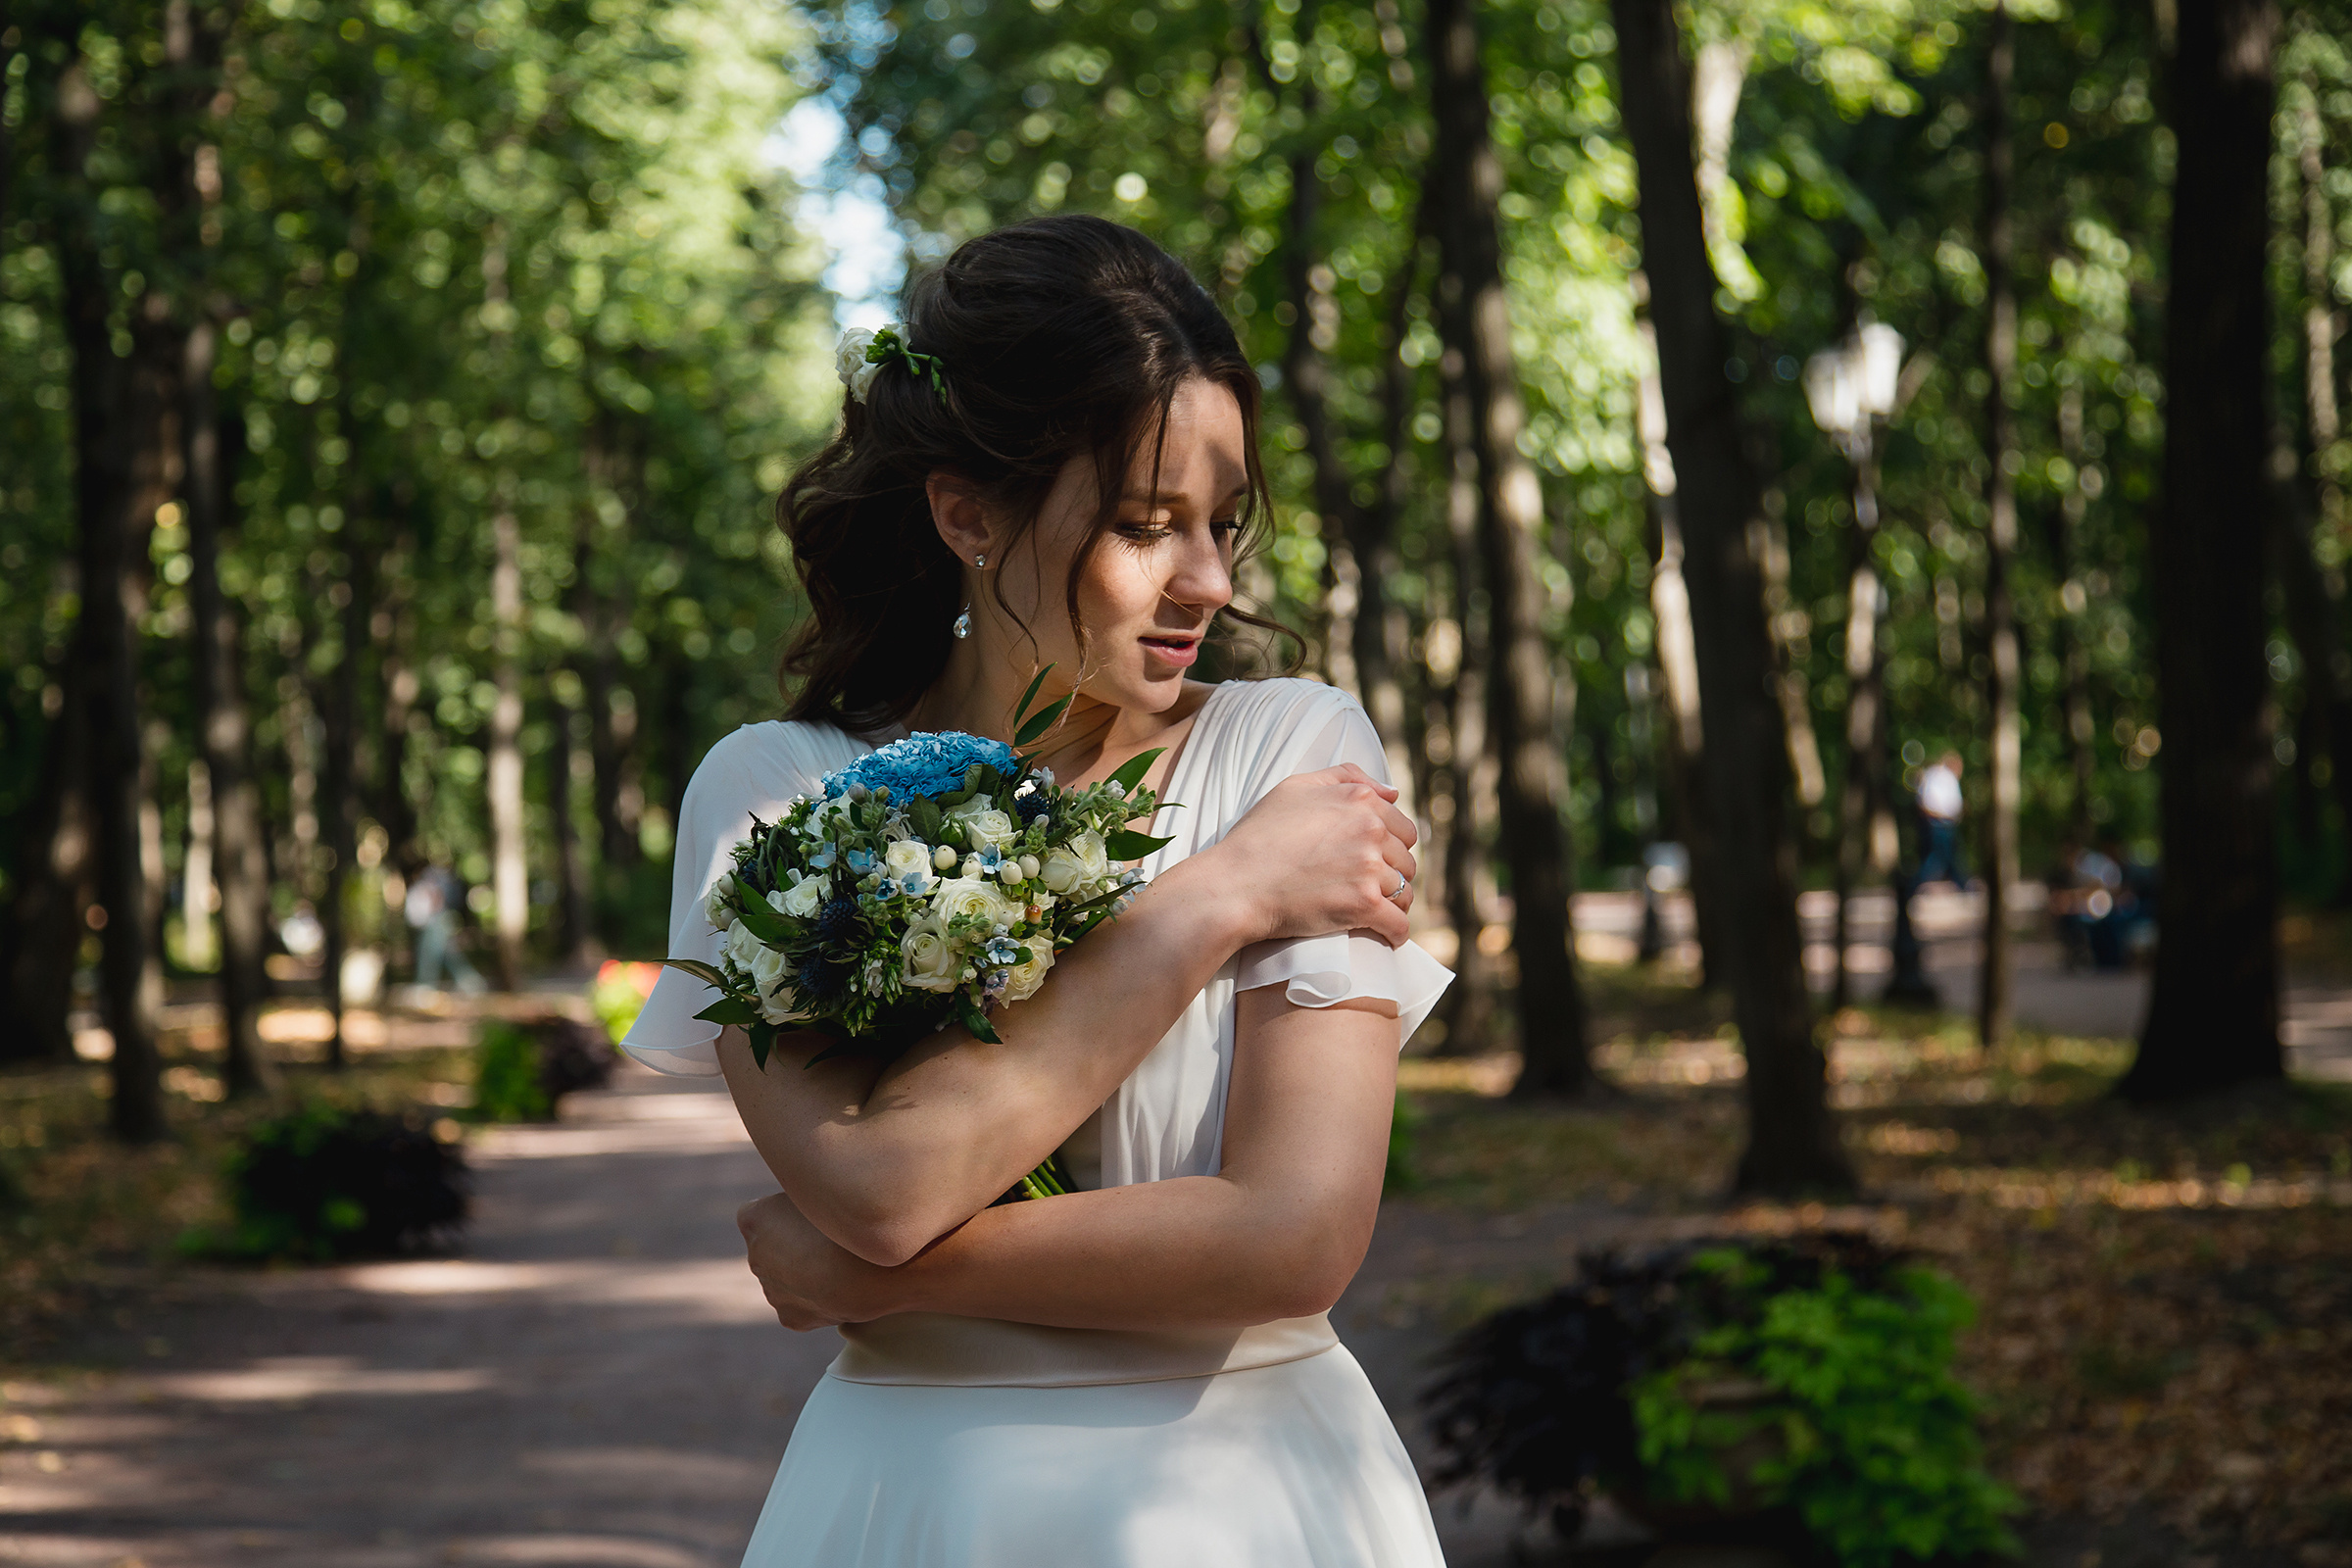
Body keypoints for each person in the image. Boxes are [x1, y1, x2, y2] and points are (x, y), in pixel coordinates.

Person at [619, 216, 1450, 1565]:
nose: (1208, 582)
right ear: (967, 515)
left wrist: (858, 1274)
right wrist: (1219, 896)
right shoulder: (775, 788)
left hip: (1249, 1500)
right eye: (1144, 524)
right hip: (914, 1505)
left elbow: (1294, 1239)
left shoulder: (1294, 753)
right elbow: (884, 1187)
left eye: (1224, 524)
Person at [405, 863, 484, 994]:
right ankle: (471, 982)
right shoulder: (420, 891)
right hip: (428, 926)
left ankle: (426, 984)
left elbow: (438, 908)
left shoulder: (435, 890)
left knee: (430, 956)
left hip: (436, 925)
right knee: (448, 955)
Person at [1914, 749, 1969, 888]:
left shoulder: (1934, 775)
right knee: (1935, 858)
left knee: (1946, 856)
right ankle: (1914, 885)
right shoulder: (1941, 776)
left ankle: (1961, 883)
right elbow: (1930, 801)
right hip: (1939, 822)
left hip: (1941, 822)